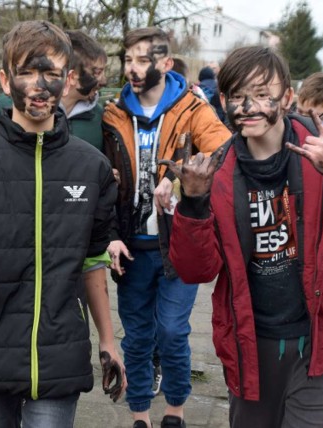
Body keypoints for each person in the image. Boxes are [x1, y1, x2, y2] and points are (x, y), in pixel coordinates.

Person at [160, 46, 323, 428]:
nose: (248, 106)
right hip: (251, 346)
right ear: (223, 100)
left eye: (262, 93)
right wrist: (194, 204)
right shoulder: (216, 172)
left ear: (287, 98)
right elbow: (197, 271)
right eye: (236, 95)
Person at [0, 20, 126, 428]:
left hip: (60, 350)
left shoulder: (91, 168)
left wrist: (107, 340)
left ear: (67, 81)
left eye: (50, 73)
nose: (38, 84)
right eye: (26, 71)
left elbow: (93, 260)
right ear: (4, 79)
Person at [102, 27, 231, 428]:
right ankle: (139, 414)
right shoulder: (113, 114)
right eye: (128, 60)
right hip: (130, 247)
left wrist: (177, 179)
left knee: (173, 332)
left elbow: (225, 150)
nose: (133, 68)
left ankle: (175, 408)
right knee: (137, 337)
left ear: (165, 63)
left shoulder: (192, 109)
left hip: (178, 245)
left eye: (143, 60)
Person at [0, 30, 108, 151]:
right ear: (72, 76)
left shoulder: (100, 116)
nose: (104, 82)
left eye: (52, 74)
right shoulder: (4, 109)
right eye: (96, 72)